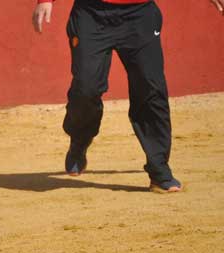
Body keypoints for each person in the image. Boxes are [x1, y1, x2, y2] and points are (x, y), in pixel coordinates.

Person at [32, 0, 224, 193]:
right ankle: (80, 138)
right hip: (91, 13)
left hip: (139, 14)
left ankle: (159, 169)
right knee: (85, 89)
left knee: (151, 88)